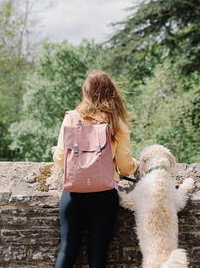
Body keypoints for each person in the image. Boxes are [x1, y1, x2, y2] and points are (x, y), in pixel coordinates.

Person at [51, 69, 139, 268]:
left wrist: (55, 150)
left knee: (67, 249)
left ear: (86, 92)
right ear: (112, 92)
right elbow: (125, 168)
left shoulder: (72, 118)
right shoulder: (117, 123)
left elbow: (60, 160)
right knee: (97, 252)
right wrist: (137, 164)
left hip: (74, 192)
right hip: (104, 195)